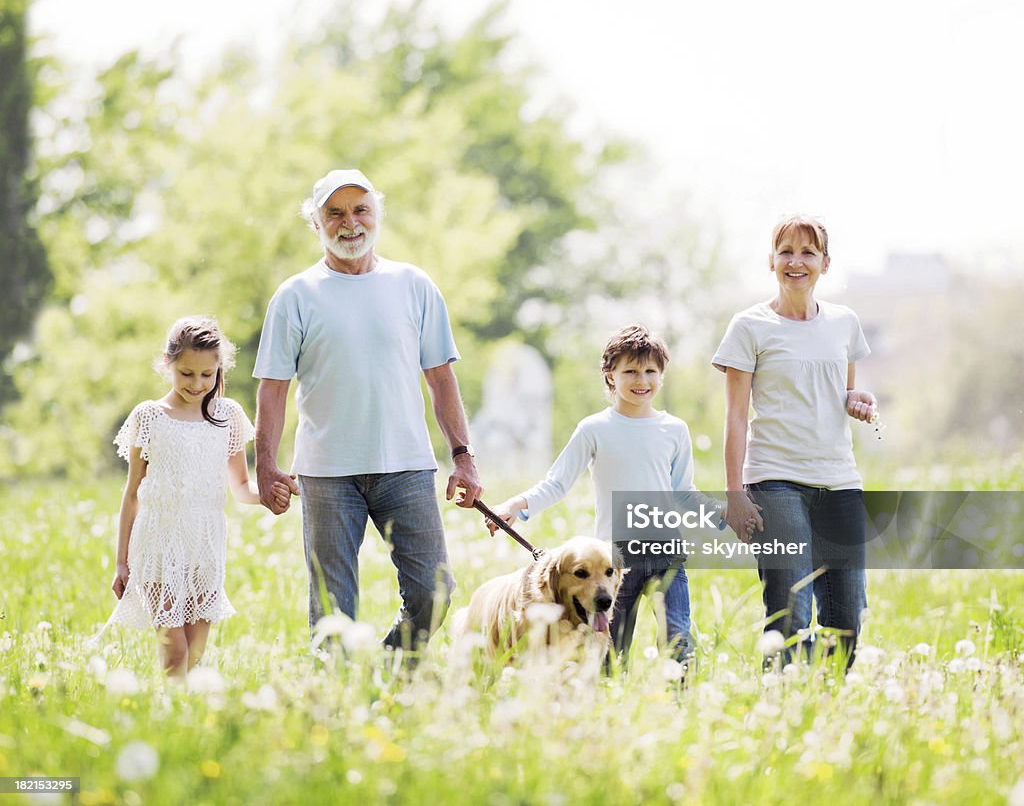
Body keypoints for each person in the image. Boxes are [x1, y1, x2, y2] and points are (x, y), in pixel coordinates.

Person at [253, 168, 482, 652]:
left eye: (360, 210)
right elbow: (272, 389)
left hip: (407, 468)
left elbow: (441, 379)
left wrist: (464, 457)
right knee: (332, 611)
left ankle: (390, 667)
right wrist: (266, 466)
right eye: (334, 213)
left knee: (434, 593)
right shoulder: (295, 296)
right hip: (327, 474)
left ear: (377, 215)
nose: (349, 222)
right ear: (316, 223)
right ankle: (336, 708)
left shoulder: (414, 285)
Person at [488, 325, 727, 665]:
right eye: (630, 370)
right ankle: (607, 707)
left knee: (678, 639)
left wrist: (720, 513)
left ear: (661, 375)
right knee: (610, 651)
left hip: (667, 554)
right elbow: (558, 482)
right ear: (610, 375)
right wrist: (517, 506)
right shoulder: (594, 429)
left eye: (650, 371)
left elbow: (683, 492)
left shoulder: (675, 430)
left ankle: (679, 706)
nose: (640, 379)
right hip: (615, 562)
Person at [712, 214, 876, 668]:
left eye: (807, 252)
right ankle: (779, 706)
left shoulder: (844, 323)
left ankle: (828, 709)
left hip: (840, 480)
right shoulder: (749, 326)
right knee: (791, 609)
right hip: (775, 480)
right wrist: (735, 494)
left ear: (825, 262)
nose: (796, 261)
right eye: (786, 251)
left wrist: (857, 400)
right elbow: (736, 415)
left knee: (847, 614)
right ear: (771, 261)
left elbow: (840, 394)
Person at [105, 317, 291, 678]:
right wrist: (121, 563)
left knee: (195, 651)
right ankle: (169, 711)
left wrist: (269, 495)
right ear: (167, 363)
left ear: (219, 368)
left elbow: (240, 487)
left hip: (204, 546)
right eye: (187, 374)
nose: (197, 384)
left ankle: (177, 714)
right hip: (158, 544)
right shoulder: (149, 417)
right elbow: (132, 495)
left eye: (207, 375)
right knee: (174, 650)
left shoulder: (227, 416)